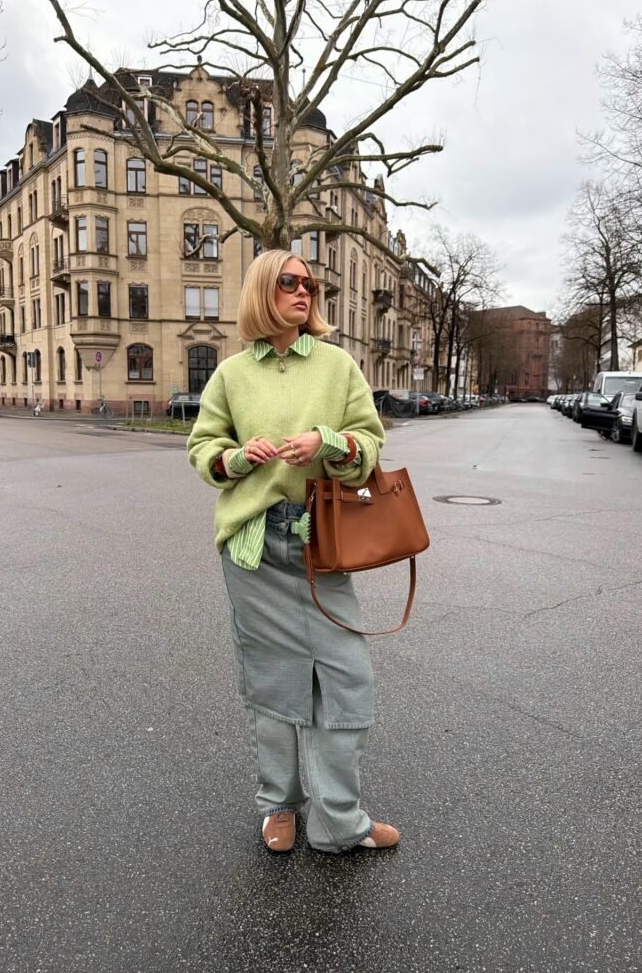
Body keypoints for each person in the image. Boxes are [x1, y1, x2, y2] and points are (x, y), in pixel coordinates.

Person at [188, 248, 400, 855]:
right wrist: (234, 458)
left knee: (346, 678)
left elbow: (368, 444)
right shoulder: (231, 374)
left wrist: (328, 442)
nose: (305, 292)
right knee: (274, 682)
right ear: (263, 292)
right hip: (253, 546)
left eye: (311, 283)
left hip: (320, 543)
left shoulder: (337, 365)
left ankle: (340, 820)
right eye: (290, 282)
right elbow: (203, 448)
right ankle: (279, 805)